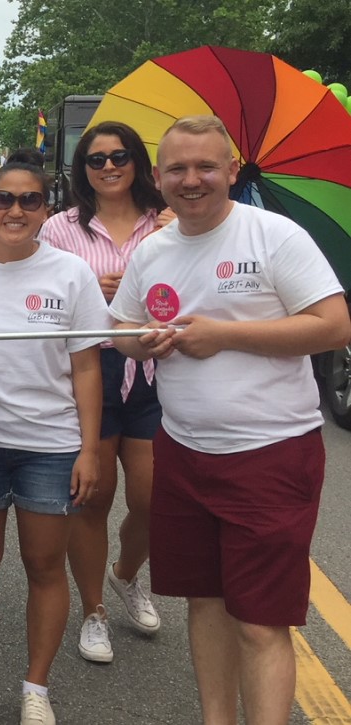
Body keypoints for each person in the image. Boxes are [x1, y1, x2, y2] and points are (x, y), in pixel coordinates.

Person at [111, 115, 350, 725]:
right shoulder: (153, 251)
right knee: (206, 603)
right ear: (158, 178)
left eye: (205, 167)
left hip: (270, 453)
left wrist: (225, 336)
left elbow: (333, 325)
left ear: (231, 171)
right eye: (177, 169)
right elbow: (122, 331)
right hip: (184, 451)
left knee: (261, 622)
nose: (191, 180)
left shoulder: (275, 237)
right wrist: (144, 342)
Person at [0, 159, 108, 725]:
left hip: (50, 444)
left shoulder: (73, 273)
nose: (15, 211)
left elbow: (86, 368)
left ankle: (36, 686)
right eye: (3, 199)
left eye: (30, 201)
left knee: (43, 565)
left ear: (45, 209)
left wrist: (87, 448)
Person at [39, 122, 168, 664]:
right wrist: (92, 290)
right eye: (96, 159)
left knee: (153, 498)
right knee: (93, 495)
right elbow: (40, 294)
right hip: (91, 368)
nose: (109, 166)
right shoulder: (60, 229)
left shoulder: (168, 225)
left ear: (137, 161)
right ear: (82, 170)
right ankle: (93, 611)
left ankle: (125, 575)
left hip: (159, 370)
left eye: (119, 155)